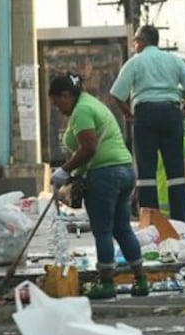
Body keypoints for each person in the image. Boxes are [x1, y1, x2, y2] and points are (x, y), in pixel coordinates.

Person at [48, 73, 149, 299]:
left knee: (102, 230)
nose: (58, 108)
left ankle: (106, 282)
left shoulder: (82, 110)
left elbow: (89, 148)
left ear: (66, 95)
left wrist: (64, 169)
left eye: (57, 102)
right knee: (122, 228)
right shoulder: (93, 104)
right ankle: (141, 280)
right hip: (124, 170)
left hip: (105, 174)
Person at [110, 24, 185, 221]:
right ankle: (180, 221)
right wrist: (184, 110)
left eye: (135, 41)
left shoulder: (135, 63)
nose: (135, 45)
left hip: (146, 114)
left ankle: (150, 221)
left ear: (142, 41)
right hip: (171, 113)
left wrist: (129, 114)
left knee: (146, 172)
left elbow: (116, 94)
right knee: (176, 171)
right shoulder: (172, 60)